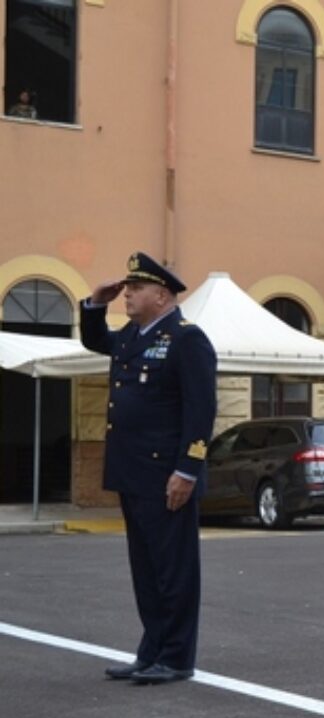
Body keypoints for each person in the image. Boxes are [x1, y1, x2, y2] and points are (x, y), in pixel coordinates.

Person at [81, 252, 217, 685]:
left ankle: (176, 657)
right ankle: (152, 650)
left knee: (173, 569)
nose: (128, 295)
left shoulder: (186, 339)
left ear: (161, 295)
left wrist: (188, 470)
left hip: (166, 476)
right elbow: (95, 340)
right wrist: (94, 304)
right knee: (146, 570)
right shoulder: (133, 336)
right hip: (133, 472)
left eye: (135, 289)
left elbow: (201, 411)